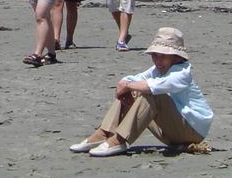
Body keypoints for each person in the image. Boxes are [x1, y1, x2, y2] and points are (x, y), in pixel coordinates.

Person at [70, 27, 213, 157]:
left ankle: (120, 140)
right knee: (134, 91)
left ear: (176, 57)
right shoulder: (158, 69)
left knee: (152, 95)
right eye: (154, 55)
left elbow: (151, 87)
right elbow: (132, 80)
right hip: (171, 132)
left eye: (163, 56)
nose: (158, 60)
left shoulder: (182, 73)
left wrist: (128, 86)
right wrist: (125, 86)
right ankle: (104, 133)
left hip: (192, 132)